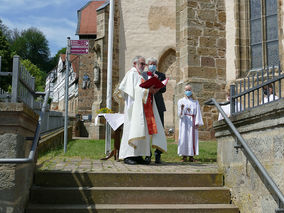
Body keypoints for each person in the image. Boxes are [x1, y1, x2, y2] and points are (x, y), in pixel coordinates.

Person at [118, 56, 167, 165]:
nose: (143, 66)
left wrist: (152, 90)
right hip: (133, 109)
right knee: (132, 130)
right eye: (141, 63)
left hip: (142, 108)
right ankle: (128, 156)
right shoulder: (132, 74)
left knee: (142, 131)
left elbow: (142, 88)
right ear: (134, 64)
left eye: (144, 64)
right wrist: (147, 90)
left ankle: (139, 156)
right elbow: (133, 92)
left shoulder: (140, 75)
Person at [142, 57, 166, 164]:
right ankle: (147, 154)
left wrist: (157, 81)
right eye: (151, 64)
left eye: (154, 64)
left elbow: (164, 89)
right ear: (147, 65)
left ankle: (158, 154)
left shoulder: (161, 75)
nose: (153, 66)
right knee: (146, 130)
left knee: (159, 130)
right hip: (146, 105)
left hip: (158, 105)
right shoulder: (142, 75)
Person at [177, 84, 203, 162]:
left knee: (192, 138)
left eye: (189, 90)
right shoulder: (181, 101)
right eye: (186, 90)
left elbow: (198, 112)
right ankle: (184, 156)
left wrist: (197, 122)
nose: (187, 91)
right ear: (184, 91)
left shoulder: (195, 102)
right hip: (184, 121)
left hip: (192, 120)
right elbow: (179, 114)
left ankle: (191, 156)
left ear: (191, 91)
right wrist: (181, 109)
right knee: (184, 137)